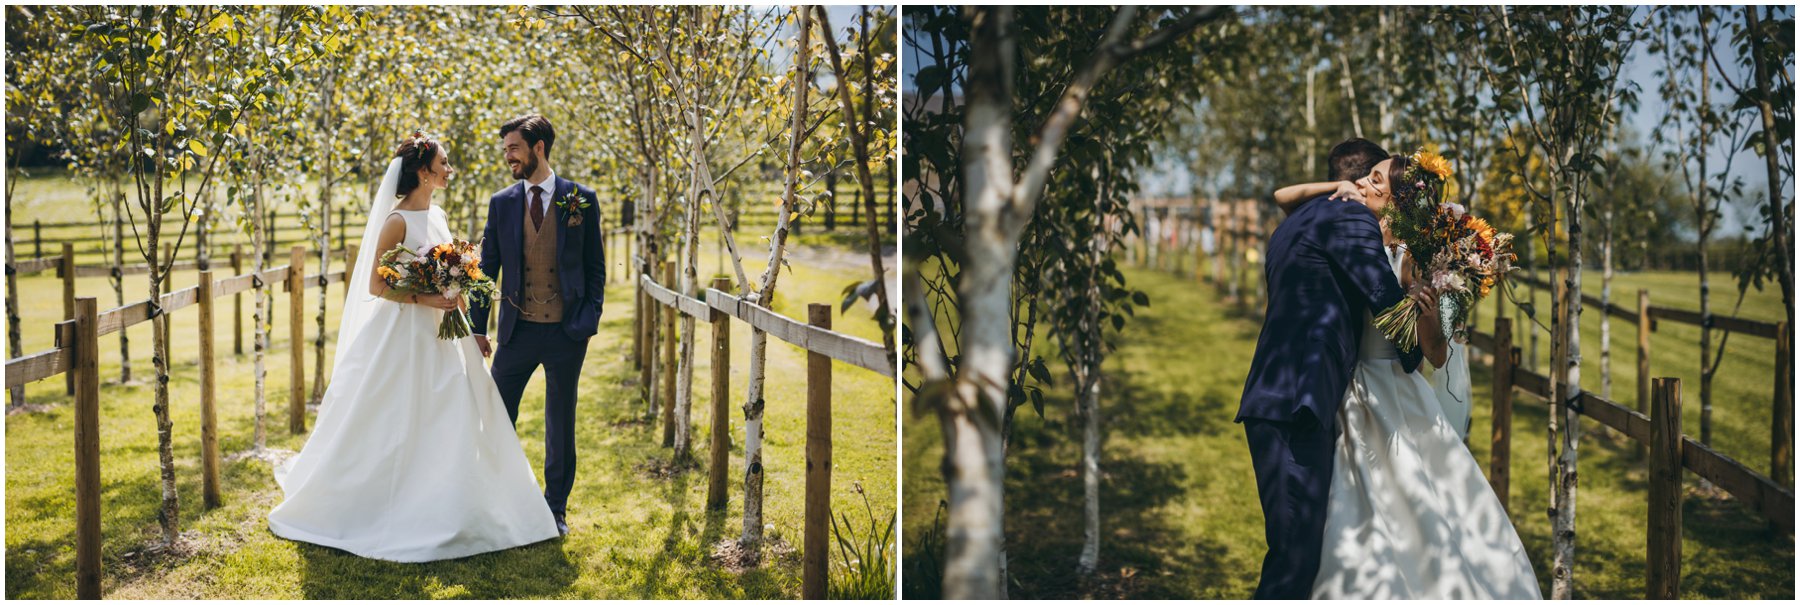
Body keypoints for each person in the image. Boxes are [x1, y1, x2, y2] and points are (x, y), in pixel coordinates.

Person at [268, 134, 561, 562]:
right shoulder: (397, 221)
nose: (449, 169)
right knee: (397, 414)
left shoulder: (437, 213)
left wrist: (457, 290)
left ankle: (454, 501)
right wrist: (427, 298)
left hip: (444, 331)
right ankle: (386, 499)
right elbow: (375, 285)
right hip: (403, 334)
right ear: (424, 171)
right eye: (443, 162)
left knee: (452, 412)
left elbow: (447, 267)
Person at [1270, 147, 1540, 599]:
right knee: (1352, 509)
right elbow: (1283, 195)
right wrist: (1335, 185)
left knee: (1419, 503)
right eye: (1368, 176)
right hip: (1348, 389)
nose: (1366, 184)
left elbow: (1434, 355)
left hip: (1393, 388)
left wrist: (1426, 306)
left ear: (1398, 202)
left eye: (1379, 182)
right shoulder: (1346, 231)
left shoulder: (1412, 257)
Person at [468, 114, 606, 537]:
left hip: (567, 333)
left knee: (560, 423)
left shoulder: (581, 198)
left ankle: (555, 509)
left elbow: (595, 269)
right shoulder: (502, 202)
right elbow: (485, 270)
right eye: (506, 148)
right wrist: (477, 327)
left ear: (538, 148)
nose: (507, 155)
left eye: (513, 147)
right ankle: (498, 500)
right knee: (496, 416)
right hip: (517, 331)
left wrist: (585, 321)